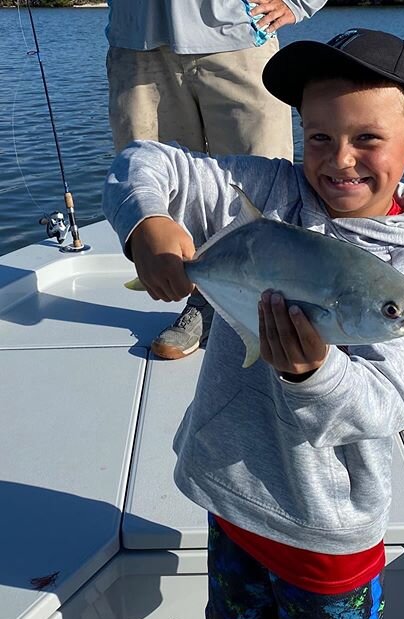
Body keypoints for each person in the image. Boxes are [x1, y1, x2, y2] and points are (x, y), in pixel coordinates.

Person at [102, 28, 404, 619]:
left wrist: (313, 374)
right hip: (230, 501)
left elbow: (383, 403)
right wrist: (149, 223)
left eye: (367, 138)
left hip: (327, 537)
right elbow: (144, 161)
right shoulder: (265, 191)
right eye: (319, 136)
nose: (339, 159)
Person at [105, 0, 326, 360]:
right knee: (154, 185)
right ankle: (202, 304)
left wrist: (298, 3)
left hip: (240, 36)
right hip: (136, 41)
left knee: (264, 197)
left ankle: (274, 314)